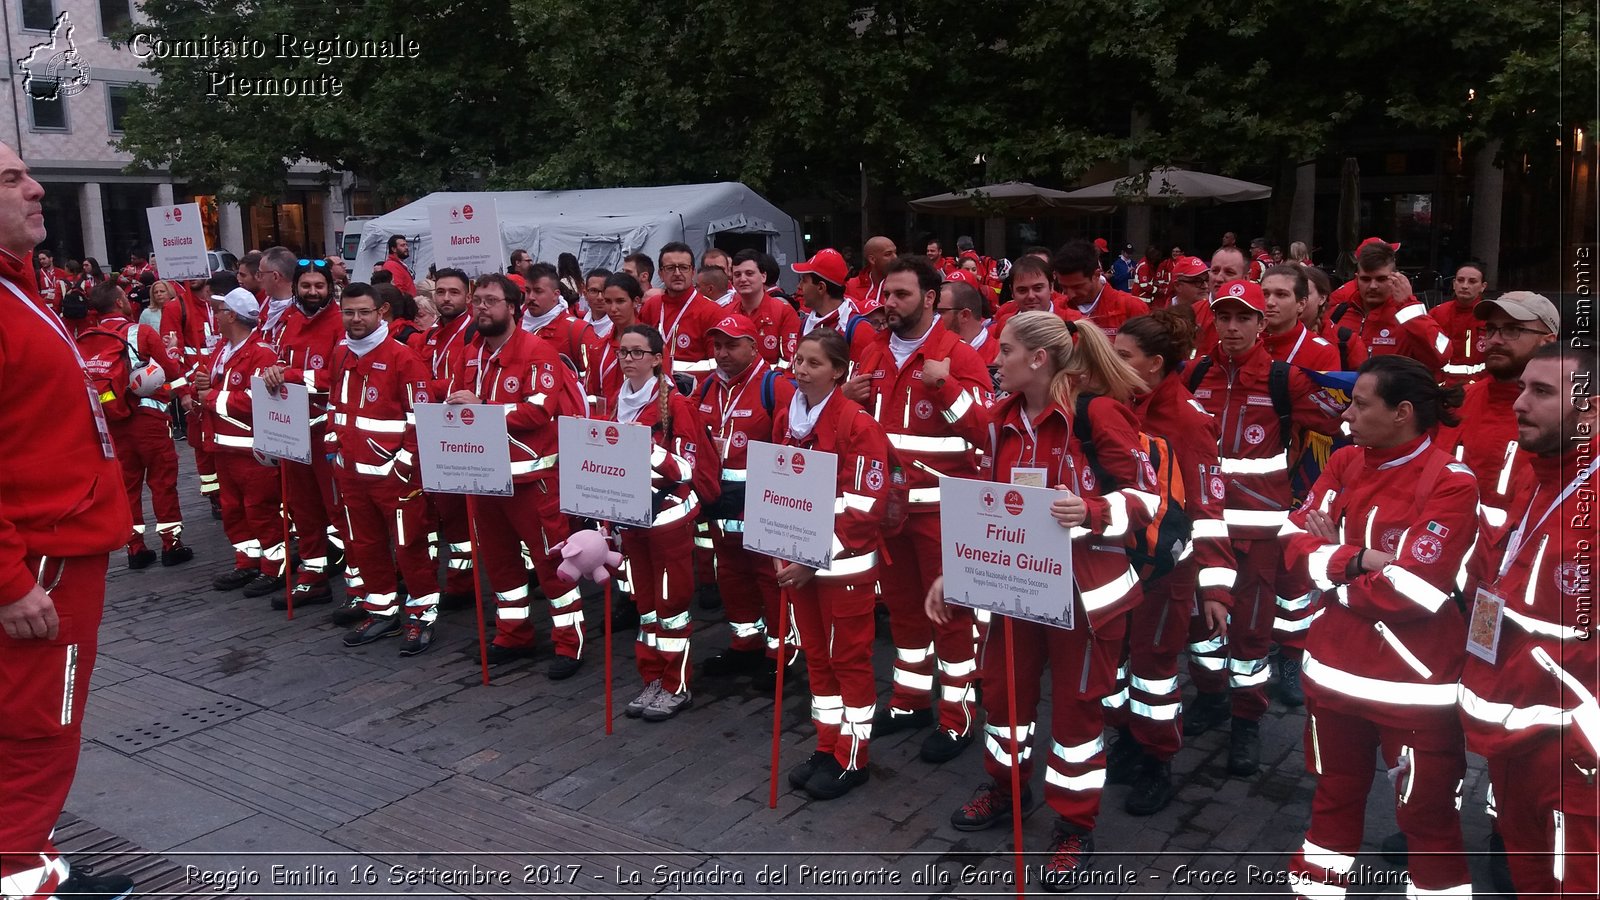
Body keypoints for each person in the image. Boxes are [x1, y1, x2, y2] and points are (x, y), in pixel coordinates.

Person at [935, 311, 1151, 889]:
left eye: (1003, 351)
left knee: (1078, 714)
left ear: (1038, 358)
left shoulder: (1096, 414)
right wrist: (951, 573)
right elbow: (985, 507)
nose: (994, 360)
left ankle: (1074, 825)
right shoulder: (1002, 419)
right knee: (1004, 696)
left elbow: (1148, 499)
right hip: (1014, 589)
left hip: (1086, 596)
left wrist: (1094, 511)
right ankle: (1004, 789)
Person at [1281, 356, 1477, 900]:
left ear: (1403, 413)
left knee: (1430, 823)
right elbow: (1295, 544)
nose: (1348, 412)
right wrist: (1366, 559)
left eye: (1361, 403)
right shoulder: (1344, 461)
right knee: (1330, 805)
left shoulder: (1452, 483)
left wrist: (1334, 569)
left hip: (1414, 692)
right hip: (1331, 678)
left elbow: (1415, 589)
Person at [0, 141, 139, 900]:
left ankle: (32, 865)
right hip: (38, 564)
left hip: (55, 546)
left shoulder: (21, 285)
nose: (36, 187)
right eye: (12, 178)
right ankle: (22, 882)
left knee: (28, 731)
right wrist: (9, 582)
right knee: (36, 735)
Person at [1183, 280, 1344, 776]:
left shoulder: (1285, 380)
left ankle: (1246, 720)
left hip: (1259, 535)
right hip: (1204, 529)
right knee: (1201, 624)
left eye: (1243, 318)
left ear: (1260, 322)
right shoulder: (1195, 374)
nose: (1232, 328)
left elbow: (1341, 427)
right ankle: (1210, 699)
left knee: (1251, 631)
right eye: (1223, 317)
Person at [1457, 344, 1598, 899]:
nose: (1519, 403)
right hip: (1512, 744)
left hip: (1576, 758)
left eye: (1542, 392)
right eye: (1522, 388)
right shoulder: (1536, 472)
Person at [844, 255, 991, 761]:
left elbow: (983, 432)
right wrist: (845, 396)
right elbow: (856, 426)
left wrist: (944, 386)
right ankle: (909, 700)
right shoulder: (871, 351)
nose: (889, 304)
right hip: (890, 514)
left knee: (950, 616)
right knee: (904, 612)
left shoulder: (958, 356)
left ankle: (957, 716)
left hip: (942, 517)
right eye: (886, 294)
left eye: (901, 295)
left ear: (930, 299)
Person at [1106, 311, 1232, 815]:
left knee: (1155, 671)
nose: (1112, 365)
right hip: (1117, 563)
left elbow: (1209, 509)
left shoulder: (1185, 419)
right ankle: (1130, 740)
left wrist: (1216, 590)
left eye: (1124, 358)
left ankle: (1158, 761)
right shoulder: (1116, 406)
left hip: (1166, 571)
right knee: (1116, 666)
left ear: (1155, 365)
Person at [446, 274, 586, 677]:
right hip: (483, 478)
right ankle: (513, 635)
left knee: (552, 565)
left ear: (513, 307)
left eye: (492, 301)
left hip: (532, 483)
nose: (482, 308)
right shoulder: (469, 352)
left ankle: (569, 643)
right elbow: (457, 400)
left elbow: (538, 410)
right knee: (501, 564)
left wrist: (483, 407)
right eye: (479, 301)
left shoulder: (538, 351)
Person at [778, 328, 891, 800]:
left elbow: (865, 506)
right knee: (818, 661)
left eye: (814, 363)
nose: (802, 370)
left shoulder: (857, 424)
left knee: (849, 662)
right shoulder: (792, 418)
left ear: (839, 371)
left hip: (842, 568)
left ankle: (854, 755)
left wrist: (813, 556)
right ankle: (828, 745)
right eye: (799, 361)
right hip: (802, 566)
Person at [320, 283, 439, 655]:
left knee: (410, 548)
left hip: (395, 477)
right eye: (349, 312)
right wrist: (332, 445)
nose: (355, 319)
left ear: (381, 312)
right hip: (351, 474)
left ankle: (421, 615)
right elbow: (335, 404)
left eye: (363, 312)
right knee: (364, 545)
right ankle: (382, 610)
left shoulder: (403, 358)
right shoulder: (341, 354)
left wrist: (403, 465)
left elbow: (421, 419)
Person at [608, 324, 711, 720]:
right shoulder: (617, 402)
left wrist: (647, 451)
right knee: (646, 607)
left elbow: (688, 469)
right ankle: (652, 677)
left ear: (656, 358)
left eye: (638, 352)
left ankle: (675, 685)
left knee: (672, 608)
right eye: (623, 352)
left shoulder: (677, 406)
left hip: (667, 523)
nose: (629, 359)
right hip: (632, 521)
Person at [696, 314, 797, 684]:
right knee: (732, 577)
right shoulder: (707, 388)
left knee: (770, 579)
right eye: (717, 345)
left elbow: (791, 450)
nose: (722, 353)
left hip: (761, 507)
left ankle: (781, 651)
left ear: (754, 347)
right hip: (721, 509)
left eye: (731, 344)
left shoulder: (775, 387)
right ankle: (745, 643)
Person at [76, 281, 193, 572]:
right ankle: (171, 544)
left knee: (128, 487)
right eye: (125, 298)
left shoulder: (85, 337)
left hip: (112, 422)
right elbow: (170, 369)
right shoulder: (140, 332)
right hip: (149, 420)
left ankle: (135, 548)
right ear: (118, 303)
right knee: (162, 482)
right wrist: (175, 354)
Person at [256, 259, 345, 609]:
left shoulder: (341, 323)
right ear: (296, 288)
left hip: (327, 430)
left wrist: (292, 375)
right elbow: (275, 364)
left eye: (318, 286)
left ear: (329, 288)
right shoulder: (289, 322)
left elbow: (338, 378)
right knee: (303, 511)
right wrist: (272, 372)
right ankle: (313, 578)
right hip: (292, 431)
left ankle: (360, 582)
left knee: (339, 511)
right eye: (306, 286)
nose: (312, 292)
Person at [1435, 292, 1560, 530]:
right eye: (1491, 329)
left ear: (1548, 341)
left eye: (1511, 330)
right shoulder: (1458, 401)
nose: (1495, 340)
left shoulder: (1569, 418)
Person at [415, 268, 479, 614]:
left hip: (458, 433)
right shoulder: (431, 335)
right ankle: (442, 576)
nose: (446, 299)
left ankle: (461, 582)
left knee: (457, 517)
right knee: (436, 512)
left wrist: (425, 391)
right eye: (440, 292)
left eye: (454, 293)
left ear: (466, 297)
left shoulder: (471, 333)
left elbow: (459, 386)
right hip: (430, 431)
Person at [1328, 240, 1449, 373]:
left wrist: (1409, 306)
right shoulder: (1338, 314)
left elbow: (1441, 357)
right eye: (1365, 279)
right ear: (1356, 278)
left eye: (1381, 279)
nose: (1373, 286)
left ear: (1396, 278)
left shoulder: (1409, 317)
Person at [640, 242, 720, 378]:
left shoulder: (712, 312)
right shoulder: (651, 306)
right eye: (670, 268)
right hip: (653, 392)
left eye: (683, 267)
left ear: (693, 272)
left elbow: (719, 366)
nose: (677, 273)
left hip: (694, 395)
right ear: (660, 274)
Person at [1051, 239, 1148, 338]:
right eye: (1064, 287)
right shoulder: (1055, 309)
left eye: (1077, 287)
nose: (1070, 295)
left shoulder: (1131, 308)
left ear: (1096, 275)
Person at [520, 261, 597, 379]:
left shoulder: (578, 331)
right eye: (528, 291)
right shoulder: (515, 326)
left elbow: (592, 380)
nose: (531, 297)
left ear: (555, 295)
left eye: (538, 291)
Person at [728, 249, 800, 368]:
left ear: (763, 276)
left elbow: (790, 362)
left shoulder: (784, 312)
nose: (743, 279)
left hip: (770, 384)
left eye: (749, 273)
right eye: (737, 275)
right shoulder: (726, 313)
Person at [1260, 265, 1340, 370]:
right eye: (1265, 294)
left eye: (1281, 295)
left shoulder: (1323, 353)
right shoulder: (1244, 341)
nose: (1270, 302)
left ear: (1301, 304)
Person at [1428, 262, 1490, 386]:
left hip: (1478, 388)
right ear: (1453, 284)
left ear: (1483, 286)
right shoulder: (1436, 313)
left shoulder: (1490, 316)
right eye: (1460, 280)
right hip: (1440, 388)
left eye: (1472, 281)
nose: (1465, 286)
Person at [1301, 266, 1367, 371]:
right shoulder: (1267, 336)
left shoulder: (1347, 340)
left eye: (1303, 293)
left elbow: (1362, 383)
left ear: (1322, 298)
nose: (1298, 299)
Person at [938, 278, 997, 366]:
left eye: (940, 312)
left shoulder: (999, 357)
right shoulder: (932, 349)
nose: (933, 318)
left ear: (964, 315)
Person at [847, 235, 897, 310]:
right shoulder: (850, 287)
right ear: (872, 259)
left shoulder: (902, 286)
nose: (895, 257)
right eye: (888, 254)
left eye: (895, 252)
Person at [580, 267, 613, 337]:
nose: (600, 297)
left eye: (604, 291)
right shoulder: (579, 327)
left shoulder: (619, 329)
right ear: (585, 294)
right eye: (594, 291)